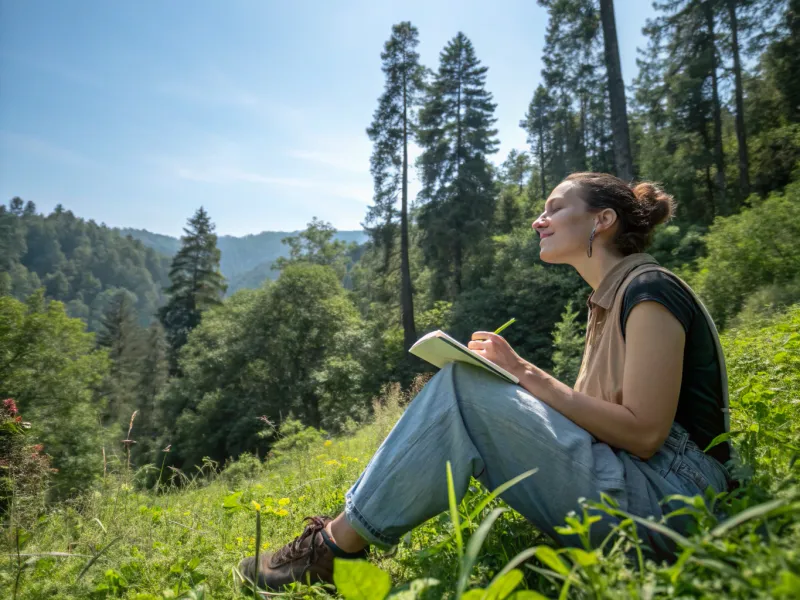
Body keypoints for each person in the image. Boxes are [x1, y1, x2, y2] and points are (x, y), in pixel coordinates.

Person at [238, 172, 734, 590]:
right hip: (645, 489)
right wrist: (515, 388)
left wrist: (522, 372)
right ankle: (335, 542)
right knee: (472, 384)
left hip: (673, 504)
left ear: (603, 221)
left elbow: (644, 434)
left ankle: (330, 550)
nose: (539, 220)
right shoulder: (609, 300)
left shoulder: (650, 290)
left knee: (463, 387)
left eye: (555, 208)